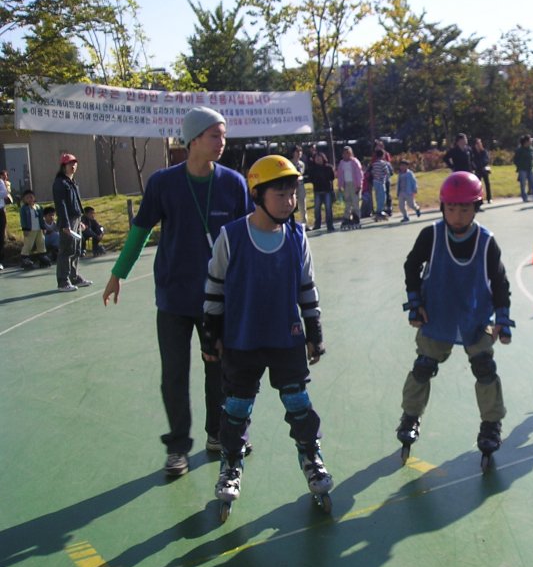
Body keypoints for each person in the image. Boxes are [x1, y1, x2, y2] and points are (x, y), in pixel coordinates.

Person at [102, 106, 253, 477]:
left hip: (218, 299)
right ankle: (177, 449)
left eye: (223, 135)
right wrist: (118, 273)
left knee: (218, 370)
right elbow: (139, 231)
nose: (222, 142)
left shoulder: (233, 183)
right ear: (194, 139)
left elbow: (247, 238)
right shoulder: (162, 183)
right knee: (174, 373)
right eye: (215, 135)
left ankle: (218, 434)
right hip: (173, 297)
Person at [200, 154, 332, 511]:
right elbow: (214, 287)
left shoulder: (297, 235)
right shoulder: (232, 236)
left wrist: (313, 328)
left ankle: (311, 458)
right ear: (257, 195)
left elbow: (306, 286)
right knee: (237, 407)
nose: (289, 202)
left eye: (293, 194)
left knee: (298, 403)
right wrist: (210, 331)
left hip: (285, 337)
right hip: (242, 339)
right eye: (280, 195)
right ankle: (230, 463)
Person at [396, 171, 514, 463]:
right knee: (423, 367)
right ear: (442, 207)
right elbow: (411, 266)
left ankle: (491, 424)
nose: (457, 215)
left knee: (485, 368)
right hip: (437, 314)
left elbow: (500, 282)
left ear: (476, 207)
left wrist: (503, 318)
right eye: (451, 208)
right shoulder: (431, 235)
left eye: (464, 208)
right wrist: (415, 303)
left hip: (475, 316)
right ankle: (410, 417)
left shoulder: (487, 242)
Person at [52, 153, 91, 292]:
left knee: (76, 249)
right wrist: (65, 224)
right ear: (64, 166)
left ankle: (74, 277)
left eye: (75, 163)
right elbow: (61, 205)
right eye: (70, 163)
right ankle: (63, 281)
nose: (73, 165)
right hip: (67, 220)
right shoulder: (60, 183)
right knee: (66, 250)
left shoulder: (72, 182)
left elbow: (76, 203)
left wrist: (80, 220)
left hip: (76, 218)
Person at [18, 190, 51, 269]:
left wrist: (43, 227)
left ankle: (42, 256)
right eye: (27, 198)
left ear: (34, 198)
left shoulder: (38, 207)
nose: (29, 199)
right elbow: (23, 220)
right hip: (30, 230)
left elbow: (41, 218)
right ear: (24, 199)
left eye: (31, 197)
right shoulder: (24, 209)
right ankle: (25, 258)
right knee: (28, 244)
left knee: (41, 242)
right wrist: (25, 229)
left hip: (39, 229)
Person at [336, 146, 364, 229]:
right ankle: (347, 217)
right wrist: (340, 185)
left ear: (351, 153)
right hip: (346, 184)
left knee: (355, 201)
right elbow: (340, 175)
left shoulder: (355, 162)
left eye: (348, 153)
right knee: (347, 201)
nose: (346, 155)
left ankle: (356, 217)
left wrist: (359, 185)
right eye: (345, 153)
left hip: (354, 184)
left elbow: (359, 174)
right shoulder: (341, 163)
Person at [308, 151, 336, 232]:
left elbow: (332, 177)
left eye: (319, 158)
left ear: (323, 158)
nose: (318, 159)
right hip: (317, 191)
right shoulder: (312, 169)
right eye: (316, 158)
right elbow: (310, 178)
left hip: (327, 191)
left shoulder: (329, 168)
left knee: (328, 209)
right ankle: (317, 224)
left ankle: (330, 225)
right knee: (317, 209)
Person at [514, 134, 533, 202]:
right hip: (522, 169)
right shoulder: (519, 150)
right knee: (523, 184)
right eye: (530, 140)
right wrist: (519, 166)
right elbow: (515, 160)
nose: (531, 141)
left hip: (530, 168)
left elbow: (532, 157)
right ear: (526, 141)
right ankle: (524, 198)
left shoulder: (531, 148)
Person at [369, 148, 393, 221]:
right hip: (381, 182)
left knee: (377, 196)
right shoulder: (383, 163)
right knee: (382, 197)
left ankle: (378, 210)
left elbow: (372, 172)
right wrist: (385, 177)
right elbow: (387, 172)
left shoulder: (374, 164)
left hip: (375, 182)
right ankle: (379, 211)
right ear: (383, 155)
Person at [289, 145, 308, 230]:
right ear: (293, 153)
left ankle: (305, 224)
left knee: (302, 204)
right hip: (291, 185)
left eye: (300, 152)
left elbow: (302, 173)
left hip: (300, 185)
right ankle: (290, 223)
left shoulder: (302, 164)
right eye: (297, 151)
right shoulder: (289, 163)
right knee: (291, 204)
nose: (299, 153)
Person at [471, 137, 493, 203]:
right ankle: (479, 199)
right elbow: (472, 160)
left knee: (487, 184)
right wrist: (475, 167)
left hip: (484, 169)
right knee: (478, 185)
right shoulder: (472, 152)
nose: (479, 144)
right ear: (475, 145)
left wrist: (482, 164)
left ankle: (489, 198)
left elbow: (486, 160)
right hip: (477, 170)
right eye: (478, 143)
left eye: (480, 143)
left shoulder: (484, 151)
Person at [0, 169, 11, 271]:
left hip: (0, 211)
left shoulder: (0, 182)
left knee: (1, 236)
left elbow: (4, 193)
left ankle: (0, 261)